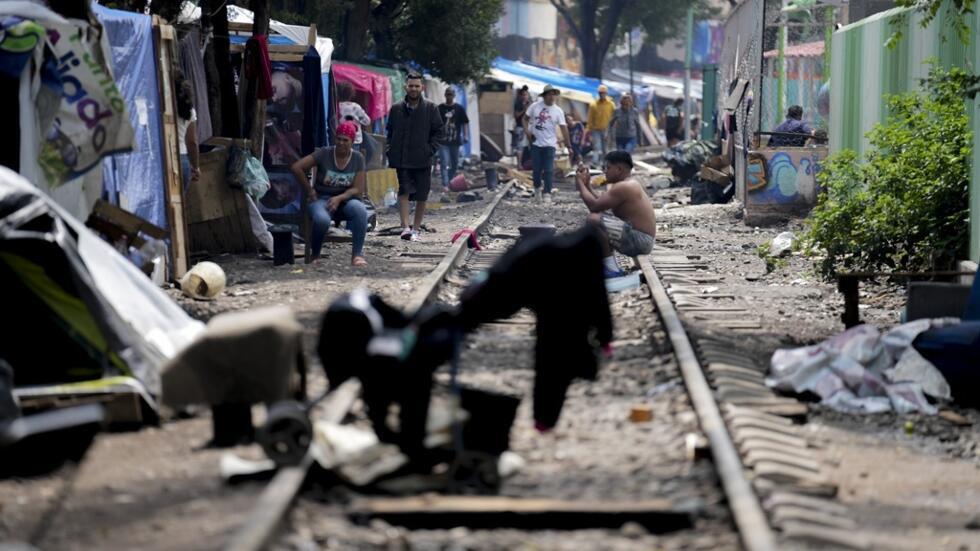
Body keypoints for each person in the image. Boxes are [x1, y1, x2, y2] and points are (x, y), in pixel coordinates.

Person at [290, 122, 369, 266]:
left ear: (352, 142)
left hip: (347, 201)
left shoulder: (358, 158)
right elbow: (297, 167)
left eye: (345, 140)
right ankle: (315, 254)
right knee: (322, 220)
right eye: (339, 138)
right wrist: (310, 190)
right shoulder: (324, 153)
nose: (341, 143)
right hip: (322, 199)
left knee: (360, 211)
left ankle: (357, 255)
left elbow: (358, 188)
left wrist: (340, 198)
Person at [576, 150, 657, 278]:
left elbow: (594, 207)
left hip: (640, 240)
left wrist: (580, 185)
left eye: (608, 168)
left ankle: (611, 269)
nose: (605, 171)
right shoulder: (628, 183)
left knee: (594, 220)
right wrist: (587, 186)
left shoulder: (624, 187)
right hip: (642, 238)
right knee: (599, 219)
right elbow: (601, 203)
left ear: (619, 169)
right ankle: (608, 265)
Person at [386, 73, 444, 241]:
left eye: (417, 86)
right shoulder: (396, 109)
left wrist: (429, 149)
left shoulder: (431, 109)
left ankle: (416, 229)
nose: (413, 89)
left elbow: (439, 132)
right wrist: (391, 149)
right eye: (411, 86)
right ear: (406, 87)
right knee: (403, 191)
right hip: (401, 159)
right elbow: (390, 131)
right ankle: (405, 228)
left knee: (421, 195)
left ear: (422, 88)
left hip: (422, 159)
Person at [524, 84, 570, 203]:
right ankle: (537, 189)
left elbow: (564, 128)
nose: (552, 96)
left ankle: (547, 193)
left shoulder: (558, 111)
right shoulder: (535, 106)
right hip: (535, 143)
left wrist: (568, 145)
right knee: (537, 169)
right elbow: (524, 119)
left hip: (550, 144)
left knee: (549, 169)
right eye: (549, 94)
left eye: (553, 94)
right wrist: (528, 132)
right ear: (544, 96)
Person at [437, 87, 469, 195]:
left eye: (451, 94)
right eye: (447, 94)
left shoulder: (459, 109)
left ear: (454, 96)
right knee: (444, 162)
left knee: (454, 164)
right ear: (445, 95)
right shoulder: (440, 108)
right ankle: (445, 185)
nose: (449, 96)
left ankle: (450, 182)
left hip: (455, 142)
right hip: (442, 141)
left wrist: (465, 135)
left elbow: (465, 122)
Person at [337, 81, 374, 162]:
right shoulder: (356, 107)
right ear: (351, 94)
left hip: (339, 140)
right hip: (355, 140)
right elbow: (367, 121)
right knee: (353, 162)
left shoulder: (336, 106)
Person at [175, 72, 199, 189]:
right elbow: (192, 142)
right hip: (183, 160)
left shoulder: (162, 109)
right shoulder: (190, 111)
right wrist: (196, 167)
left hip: (165, 160)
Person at [584, 84, 615, 166]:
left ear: (606, 93)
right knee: (597, 146)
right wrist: (588, 130)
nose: (602, 94)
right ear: (598, 93)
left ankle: (605, 163)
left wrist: (612, 129)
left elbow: (614, 117)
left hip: (606, 129)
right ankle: (595, 162)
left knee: (605, 148)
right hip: (595, 129)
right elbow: (590, 118)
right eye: (600, 93)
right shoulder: (593, 105)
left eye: (603, 93)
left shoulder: (611, 104)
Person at [512, 85, 531, 155]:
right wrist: (524, 110)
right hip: (520, 127)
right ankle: (519, 164)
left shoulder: (529, 104)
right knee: (519, 146)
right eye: (523, 95)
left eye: (526, 95)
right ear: (520, 96)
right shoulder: (518, 104)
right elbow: (516, 115)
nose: (525, 96)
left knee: (529, 145)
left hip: (528, 127)